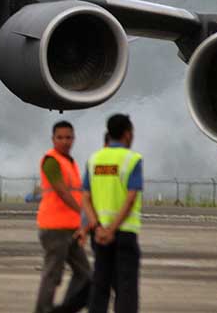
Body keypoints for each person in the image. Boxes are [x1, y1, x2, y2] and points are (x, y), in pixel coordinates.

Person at [82, 114, 142, 313]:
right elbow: (131, 197)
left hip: (99, 235)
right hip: (123, 233)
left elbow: (85, 198)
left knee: (100, 286)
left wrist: (98, 228)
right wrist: (112, 229)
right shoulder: (132, 159)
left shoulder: (94, 159)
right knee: (126, 289)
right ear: (127, 134)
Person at [34, 121, 91, 313]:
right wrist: (84, 213)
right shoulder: (51, 161)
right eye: (60, 137)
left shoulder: (69, 162)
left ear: (73, 139)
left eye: (68, 137)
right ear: (53, 139)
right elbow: (63, 192)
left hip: (71, 227)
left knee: (85, 275)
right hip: (54, 228)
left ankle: (64, 309)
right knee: (53, 274)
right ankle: (43, 310)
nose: (65, 141)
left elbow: (77, 193)